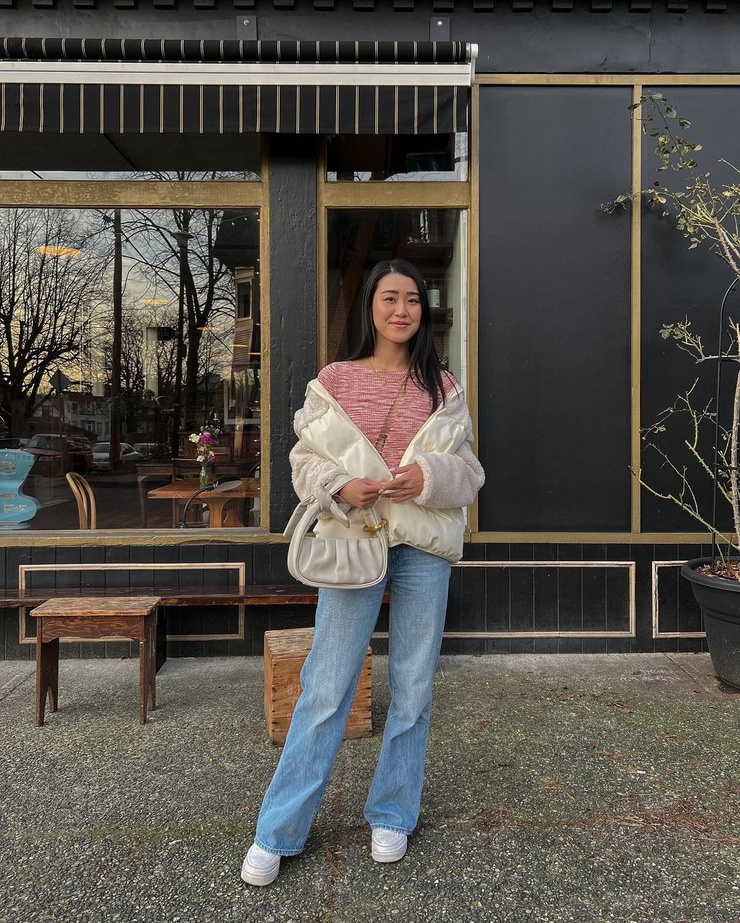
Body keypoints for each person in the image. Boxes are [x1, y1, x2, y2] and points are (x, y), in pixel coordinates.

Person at [241, 258, 485, 886]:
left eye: (413, 300)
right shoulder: (336, 380)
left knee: (414, 687)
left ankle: (393, 813)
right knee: (326, 686)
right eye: (390, 298)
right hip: (353, 542)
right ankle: (278, 831)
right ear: (370, 306)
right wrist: (339, 486)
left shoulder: (442, 387)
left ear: (424, 310)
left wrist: (427, 477)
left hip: (422, 547)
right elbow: (303, 460)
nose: (402, 310)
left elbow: (470, 474)